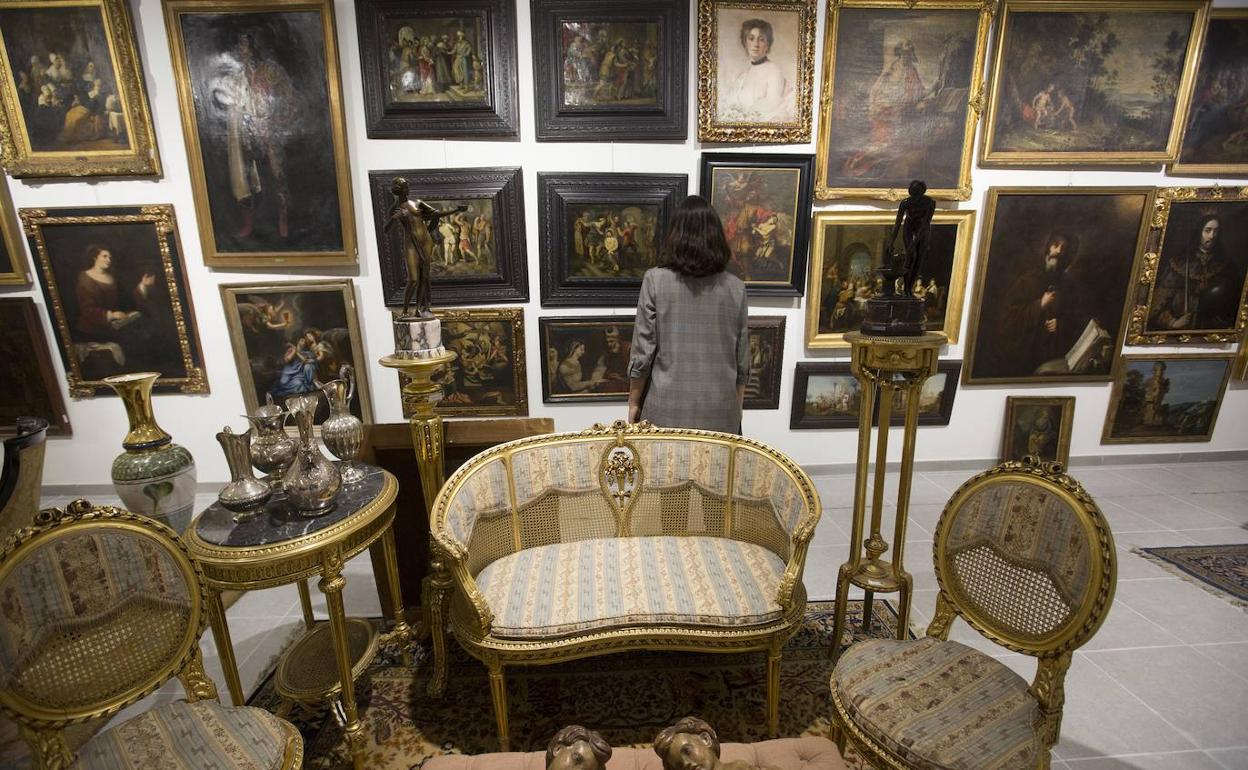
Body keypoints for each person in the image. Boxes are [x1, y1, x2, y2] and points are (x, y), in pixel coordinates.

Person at [628, 195, 749, 434]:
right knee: (717, 472)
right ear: (716, 237)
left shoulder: (655, 280)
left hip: (664, 411)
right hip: (721, 410)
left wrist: (633, 402)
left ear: (675, 235)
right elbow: (742, 359)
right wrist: (737, 408)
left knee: (663, 472)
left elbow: (643, 353)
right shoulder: (736, 288)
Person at [1148, 213, 1242, 331]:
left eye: (1216, 231)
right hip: (1181, 326)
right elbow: (1158, 300)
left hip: (1212, 329)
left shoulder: (1226, 264)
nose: (1212, 236)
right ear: (1199, 232)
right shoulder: (1180, 262)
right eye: (1207, 231)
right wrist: (1172, 322)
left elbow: (1235, 301)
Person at [721, 19, 792, 122]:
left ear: (767, 45)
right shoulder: (743, 76)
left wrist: (747, 117)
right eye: (751, 39)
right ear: (745, 43)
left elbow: (773, 103)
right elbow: (732, 102)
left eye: (761, 39)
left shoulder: (774, 71)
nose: (756, 44)